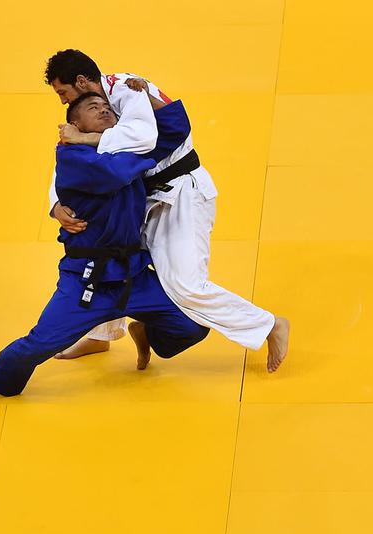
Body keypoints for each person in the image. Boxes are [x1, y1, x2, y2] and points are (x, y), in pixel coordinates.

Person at [43, 49, 289, 372]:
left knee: (185, 285)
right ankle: (101, 335)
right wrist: (56, 205)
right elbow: (69, 158)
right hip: (143, 198)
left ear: (81, 81)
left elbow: (143, 138)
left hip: (182, 192)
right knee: (107, 252)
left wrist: (87, 137)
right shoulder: (87, 109)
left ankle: (268, 325)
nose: (63, 101)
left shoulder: (129, 89)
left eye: (63, 92)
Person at [0, 94, 208, 405]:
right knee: (42, 343)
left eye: (108, 108)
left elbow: (176, 130)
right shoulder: (72, 158)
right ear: (73, 124)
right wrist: (129, 142)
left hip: (132, 275)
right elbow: (115, 172)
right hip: (86, 282)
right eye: (93, 108)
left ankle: (148, 332)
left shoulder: (116, 147)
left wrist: (145, 94)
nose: (104, 110)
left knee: (194, 325)